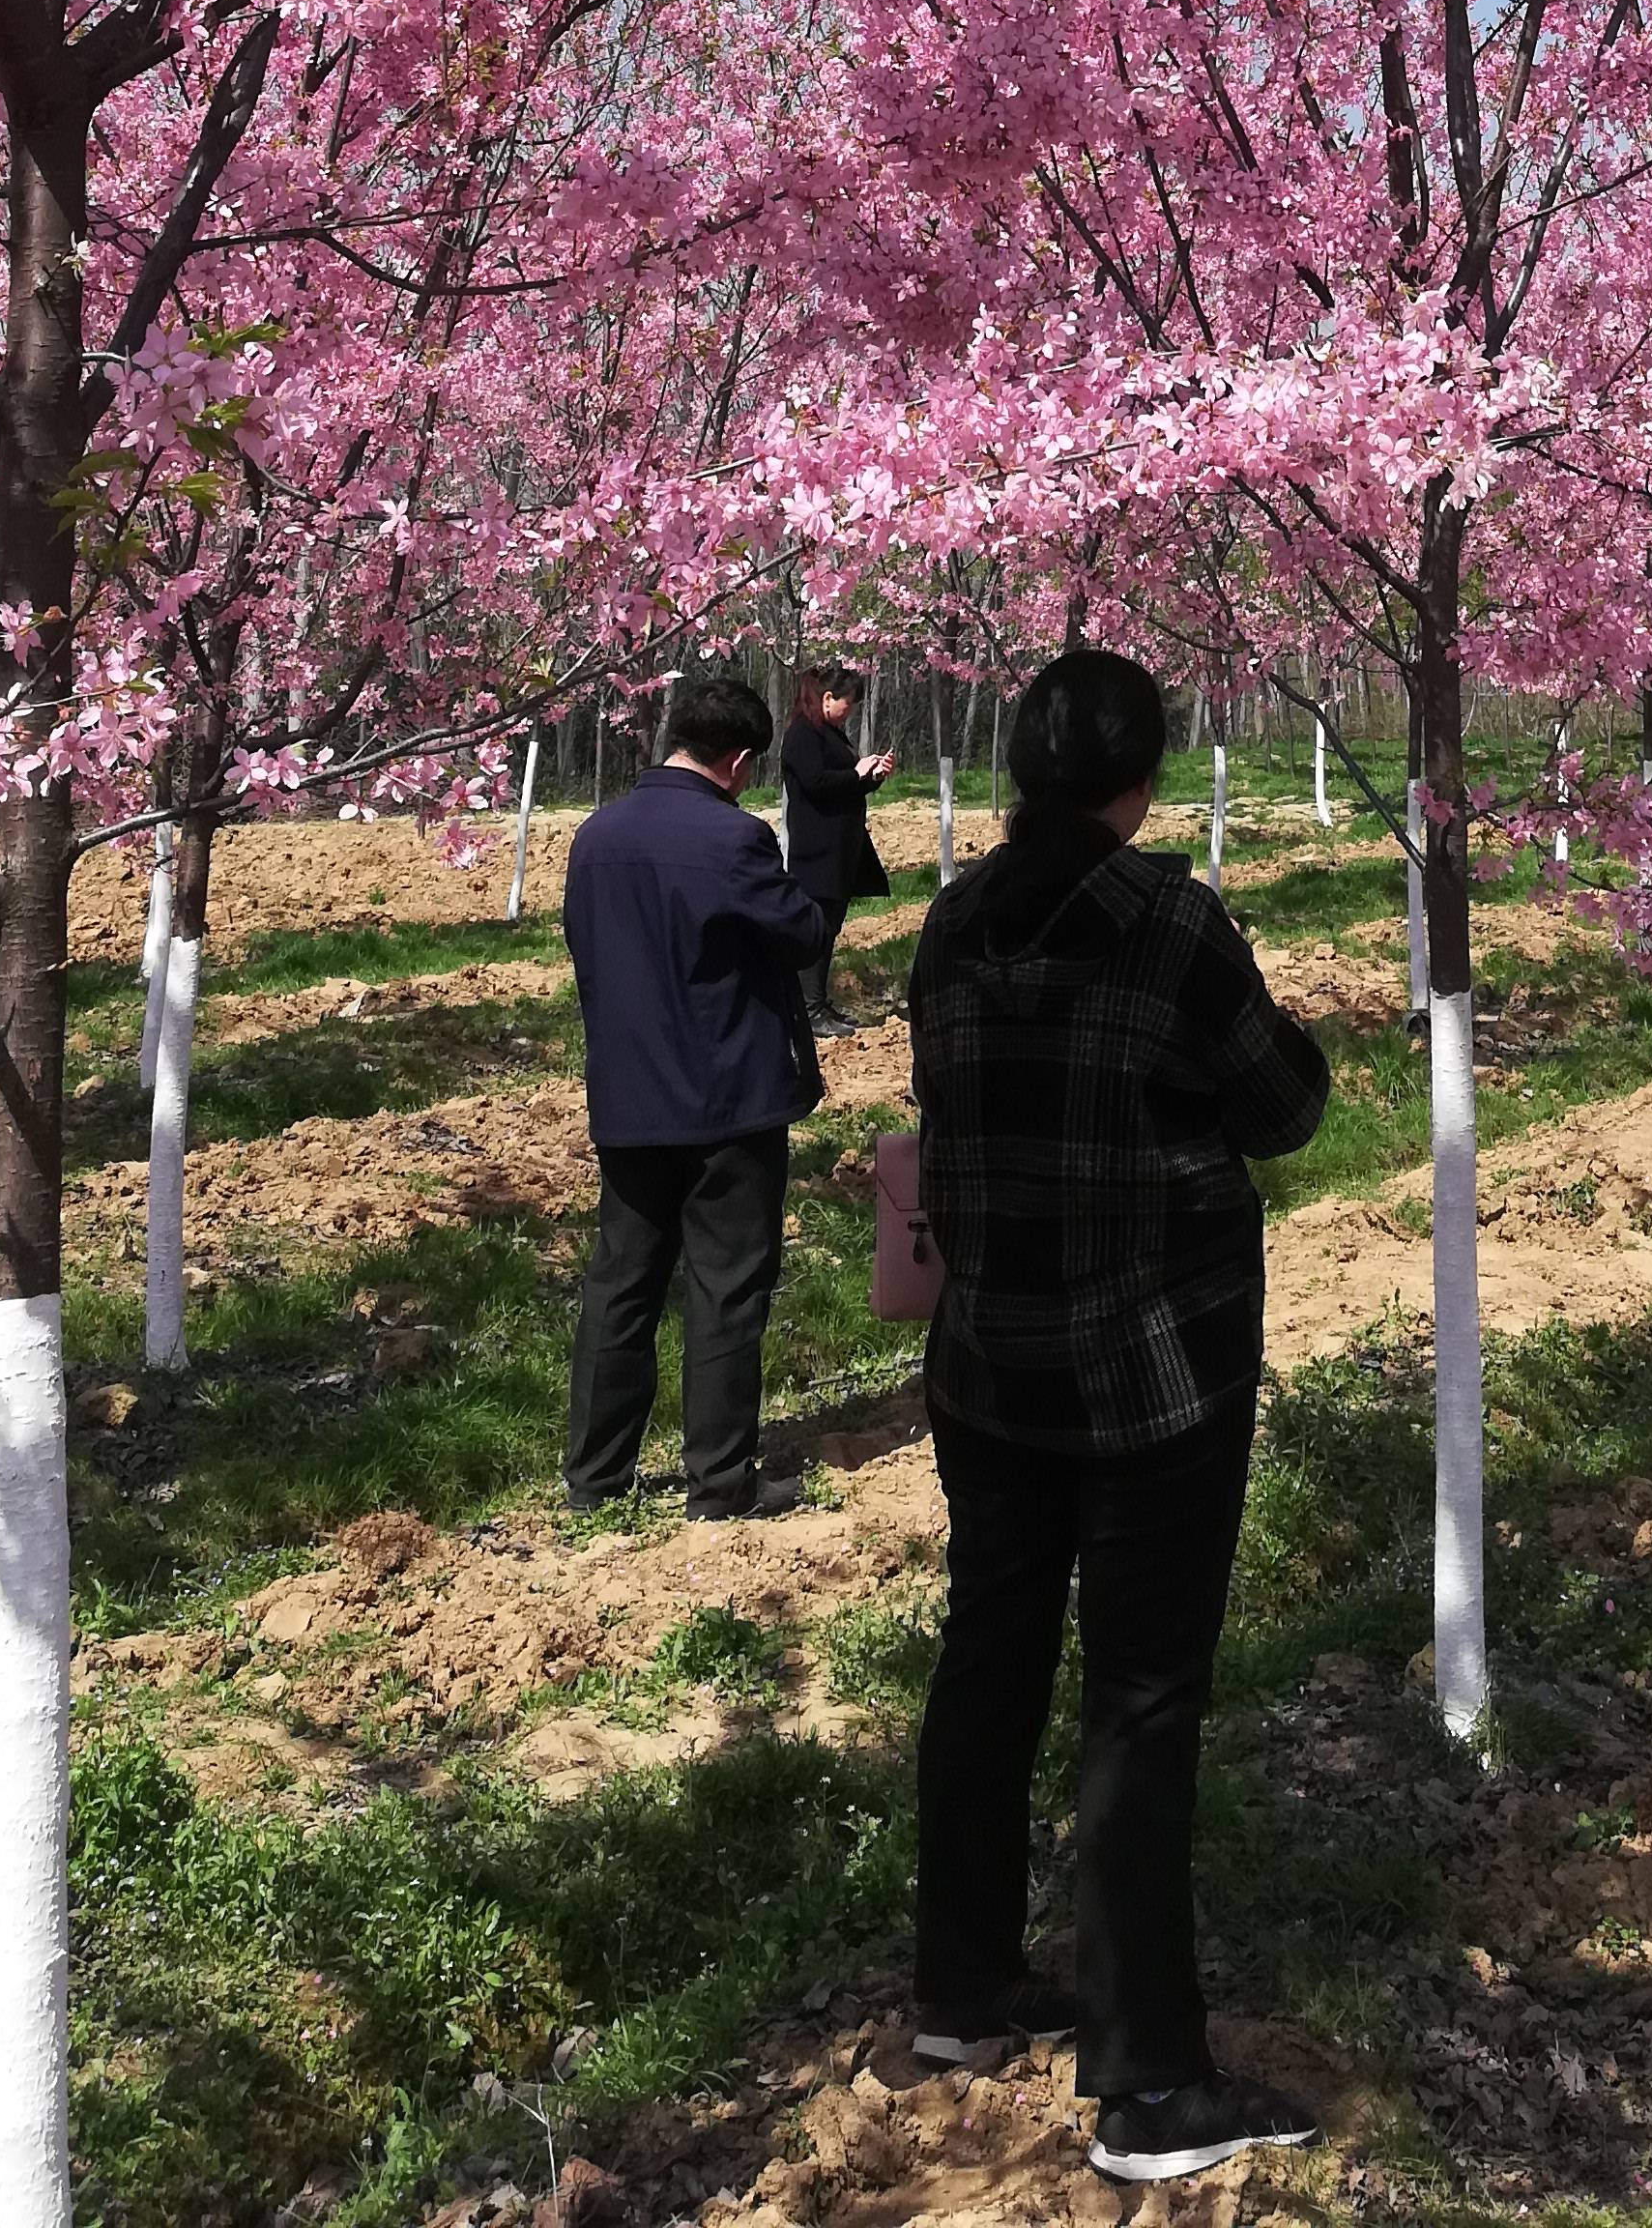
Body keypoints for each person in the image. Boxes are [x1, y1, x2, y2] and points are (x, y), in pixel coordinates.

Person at [905, 645, 1330, 2187]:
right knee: (1142, 1700)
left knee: (991, 1657)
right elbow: (1285, 1106)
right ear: (1140, 778)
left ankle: (959, 1984)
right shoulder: (1170, 924)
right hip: (1155, 1373)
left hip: (986, 1368)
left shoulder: (951, 921)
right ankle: (1149, 2086)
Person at [559, 659, 822, 1518]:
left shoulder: (596, 836)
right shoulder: (733, 837)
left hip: (630, 1095)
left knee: (621, 1285)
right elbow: (800, 931)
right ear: (741, 763)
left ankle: (595, 1480)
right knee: (726, 1284)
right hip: (727, 1097)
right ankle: (719, 1482)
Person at [778, 657, 895, 1033]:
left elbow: (844, 784)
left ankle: (819, 1004)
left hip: (839, 850)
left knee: (830, 928)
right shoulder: (802, 734)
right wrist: (854, 772)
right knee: (818, 929)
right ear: (828, 698)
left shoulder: (828, 733)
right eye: (849, 703)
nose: (851, 711)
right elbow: (816, 783)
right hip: (817, 851)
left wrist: (871, 777)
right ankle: (809, 1010)